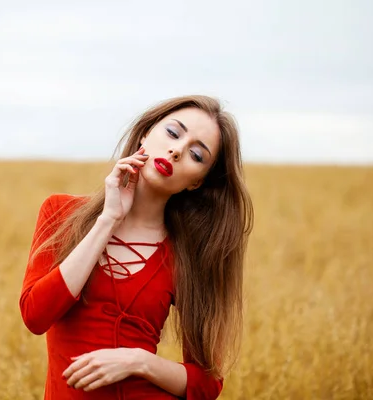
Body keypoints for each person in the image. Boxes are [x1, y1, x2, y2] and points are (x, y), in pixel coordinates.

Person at [19, 95, 253, 399]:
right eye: (173, 133)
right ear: (146, 133)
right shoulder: (60, 213)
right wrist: (108, 219)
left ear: (197, 183)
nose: (177, 150)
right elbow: (36, 316)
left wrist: (138, 361)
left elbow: (207, 384)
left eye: (197, 155)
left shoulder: (185, 256)